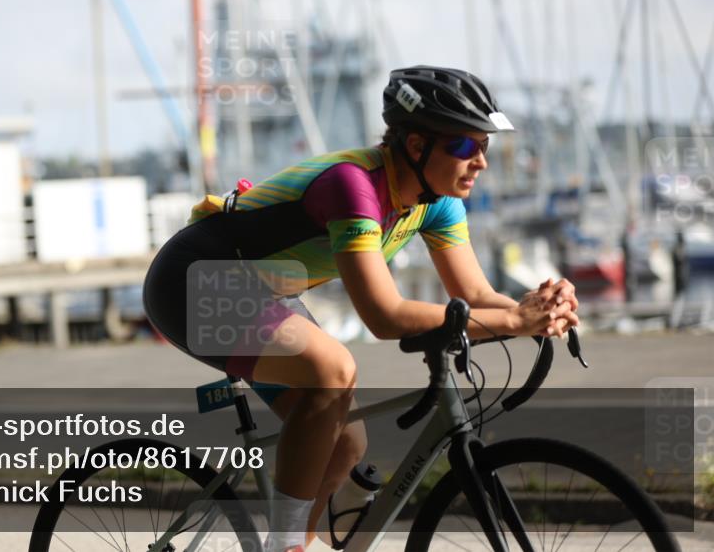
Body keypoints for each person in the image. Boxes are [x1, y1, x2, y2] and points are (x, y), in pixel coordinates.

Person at [142, 65, 580, 552]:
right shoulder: (354, 187)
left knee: (347, 443)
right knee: (332, 370)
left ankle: (302, 541)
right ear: (417, 146)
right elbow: (382, 315)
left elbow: (477, 298)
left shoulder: (437, 202)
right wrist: (515, 321)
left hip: (263, 291)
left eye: (484, 146)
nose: (480, 161)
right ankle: (284, 545)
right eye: (463, 146)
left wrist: (537, 311)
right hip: (195, 281)